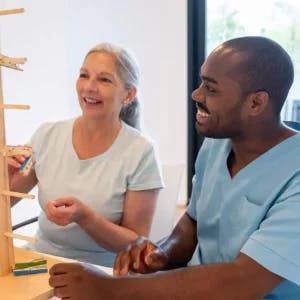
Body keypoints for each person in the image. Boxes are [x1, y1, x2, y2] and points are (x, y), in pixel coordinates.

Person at [49, 36, 300, 299]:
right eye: (202, 82)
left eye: (211, 89)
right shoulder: (216, 146)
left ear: (256, 103)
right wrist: (163, 252)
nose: (196, 94)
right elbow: (194, 220)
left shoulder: (292, 172)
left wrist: (109, 289)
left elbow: (242, 281)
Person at [9, 42, 164, 267]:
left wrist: (85, 218)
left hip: (101, 272)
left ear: (128, 94)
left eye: (104, 79)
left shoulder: (141, 153)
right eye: (84, 75)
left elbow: (137, 243)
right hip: (38, 261)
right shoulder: (46, 135)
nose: (89, 87)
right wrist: (5, 174)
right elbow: (9, 198)